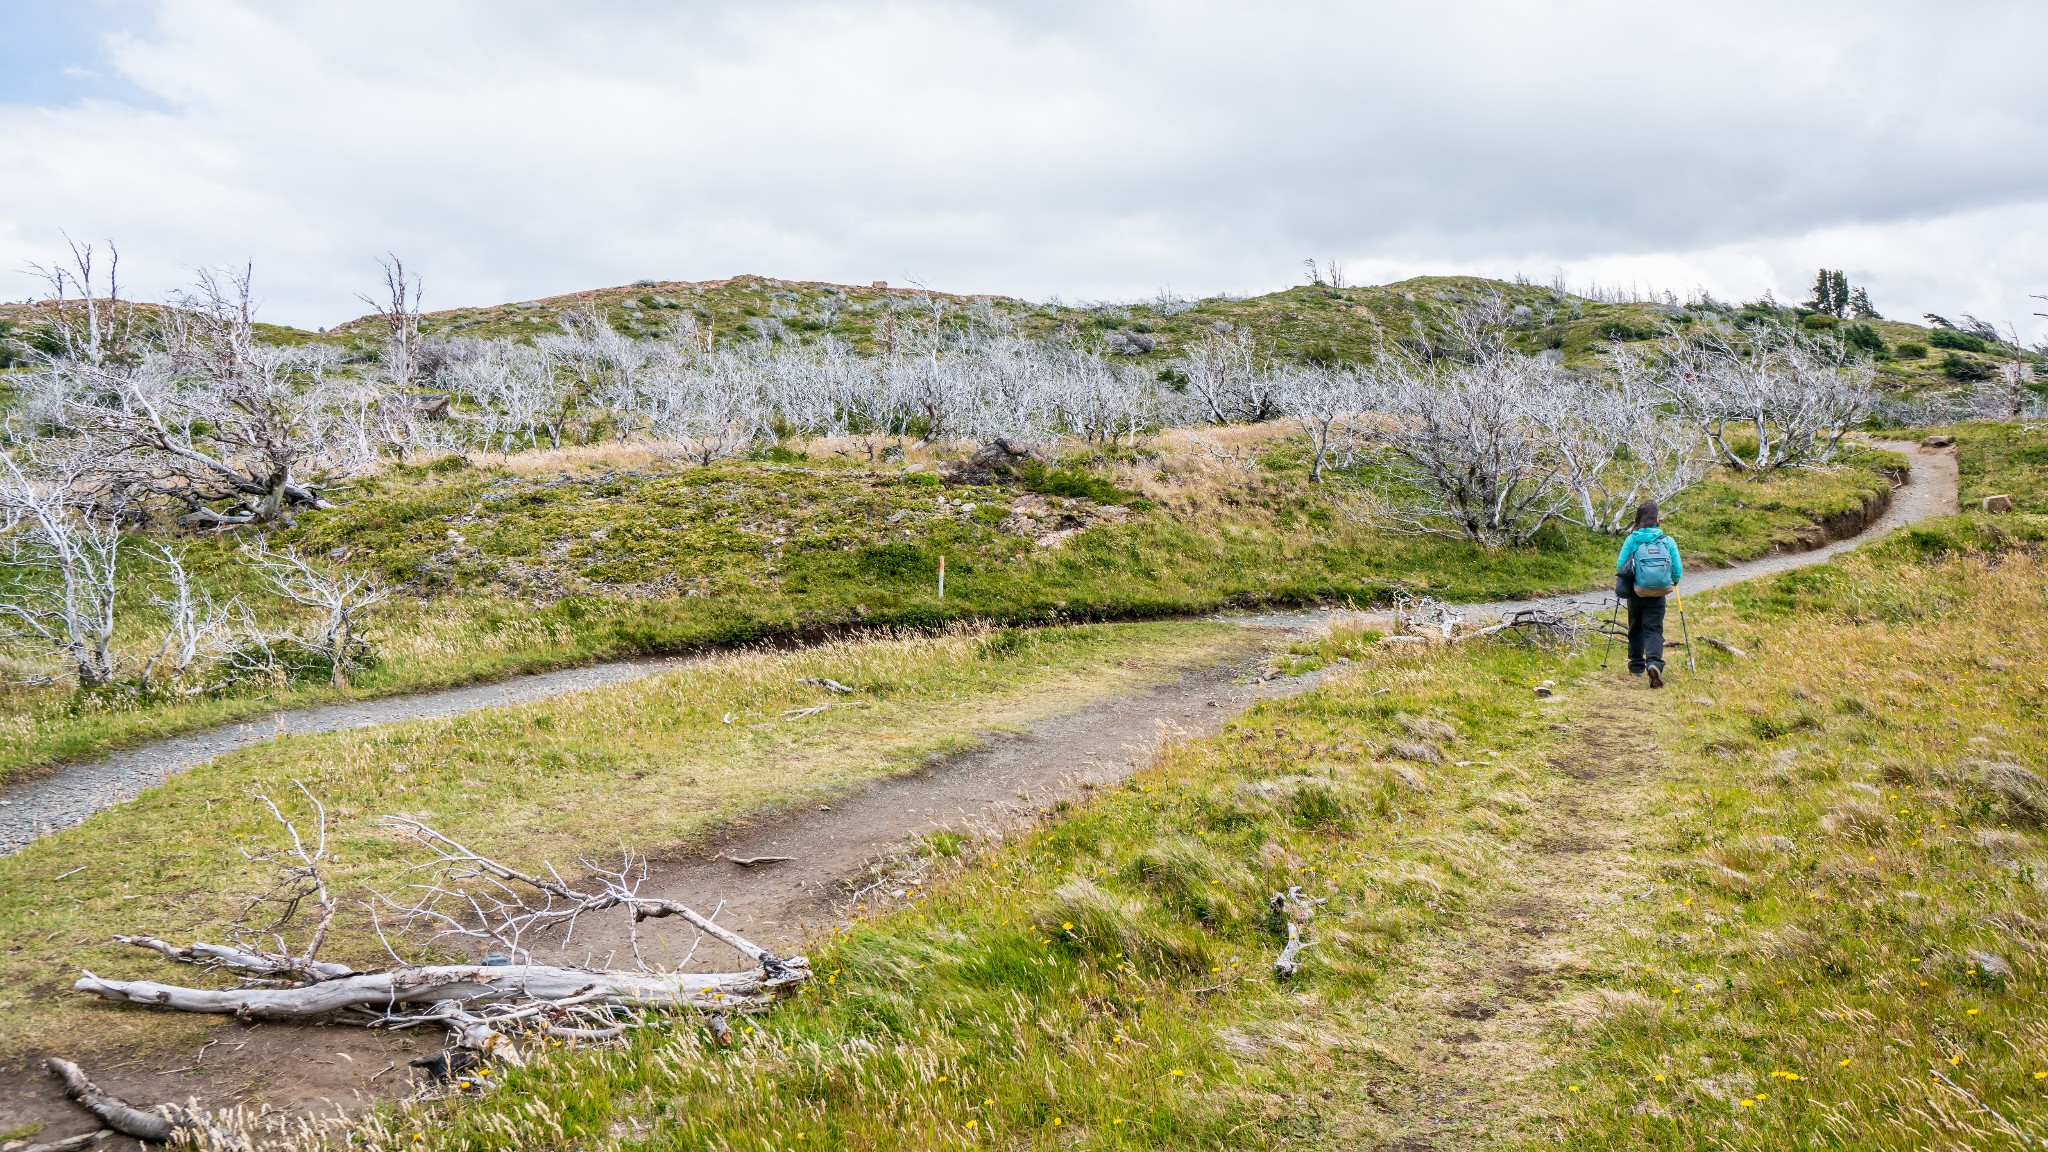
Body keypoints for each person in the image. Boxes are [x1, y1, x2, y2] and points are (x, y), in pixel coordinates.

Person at [1615, 500, 1682, 688]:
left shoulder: (1633, 539)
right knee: (1654, 629)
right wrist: (1674, 580)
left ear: (1638, 517)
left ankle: (1636, 665)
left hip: (1637, 591)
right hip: (1659, 592)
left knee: (1636, 627)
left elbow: (1621, 565)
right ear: (1656, 518)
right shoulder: (1667, 541)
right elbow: (1676, 568)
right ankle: (1653, 662)